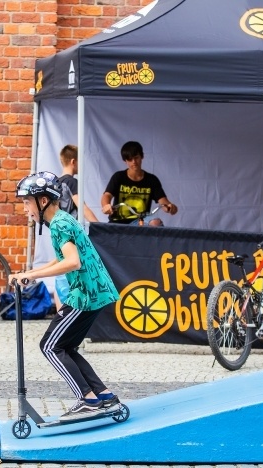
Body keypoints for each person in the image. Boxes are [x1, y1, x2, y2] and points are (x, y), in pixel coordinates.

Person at [10, 171, 121, 421]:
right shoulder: (62, 220)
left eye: (27, 202)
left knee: (49, 346)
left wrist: (31, 274)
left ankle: (87, 399)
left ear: (43, 201)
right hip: (94, 292)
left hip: (85, 294)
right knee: (66, 346)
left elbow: (71, 262)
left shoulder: (58, 224)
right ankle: (103, 395)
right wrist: (31, 274)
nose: (25, 209)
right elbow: (62, 257)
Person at [40, 144, 99, 308]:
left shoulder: (55, 184)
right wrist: (100, 226)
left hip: (57, 232)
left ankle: (60, 312)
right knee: (70, 272)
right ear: (73, 161)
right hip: (71, 233)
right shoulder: (72, 182)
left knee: (61, 266)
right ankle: (69, 313)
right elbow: (82, 206)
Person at [100, 141, 178, 227]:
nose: (134, 162)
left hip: (140, 221)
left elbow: (164, 202)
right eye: (130, 159)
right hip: (118, 223)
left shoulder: (152, 180)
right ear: (125, 161)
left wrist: (170, 207)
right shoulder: (118, 177)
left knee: (155, 223)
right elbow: (107, 195)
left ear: (142, 157)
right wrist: (106, 205)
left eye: (136, 157)